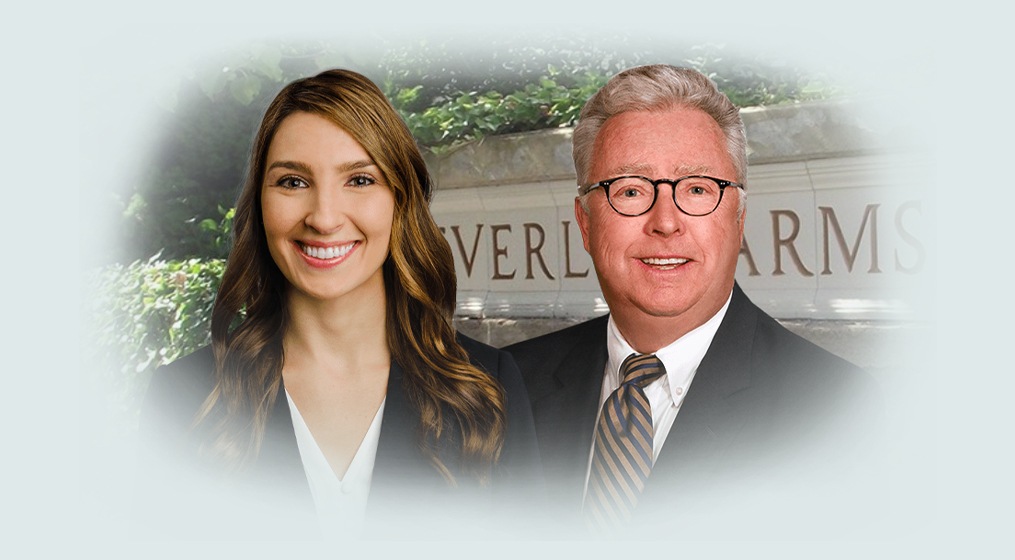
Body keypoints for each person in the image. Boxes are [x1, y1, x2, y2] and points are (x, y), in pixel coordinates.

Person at [136, 69, 541, 540]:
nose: (324, 217)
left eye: (360, 179)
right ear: (260, 203)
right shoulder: (182, 398)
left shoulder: (488, 389)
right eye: (292, 182)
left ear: (399, 200)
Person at [505, 65, 885, 538]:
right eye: (630, 190)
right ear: (584, 222)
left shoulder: (842, 412)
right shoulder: (499, 388)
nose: (666, 221)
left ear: (739, 217)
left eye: (698, 189)